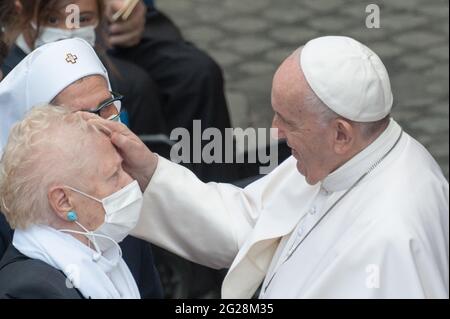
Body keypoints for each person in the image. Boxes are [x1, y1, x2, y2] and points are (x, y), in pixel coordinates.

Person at [90, 36, 449, 298]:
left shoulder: (391, 239)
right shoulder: (337, 157)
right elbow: (249, 223)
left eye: (288, 120)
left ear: (341, 133)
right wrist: (150, 171)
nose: (274, 131)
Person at [0, 38, 162, 298]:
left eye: (106, 108)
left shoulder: (113, 208)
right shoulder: (28, 282)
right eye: (80, 119)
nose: (104, 127)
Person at [0, 105, 144, 299]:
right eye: (114, 175)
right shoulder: (30, 291)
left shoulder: (103, 252)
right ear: (63, 202)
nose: (130, 181)